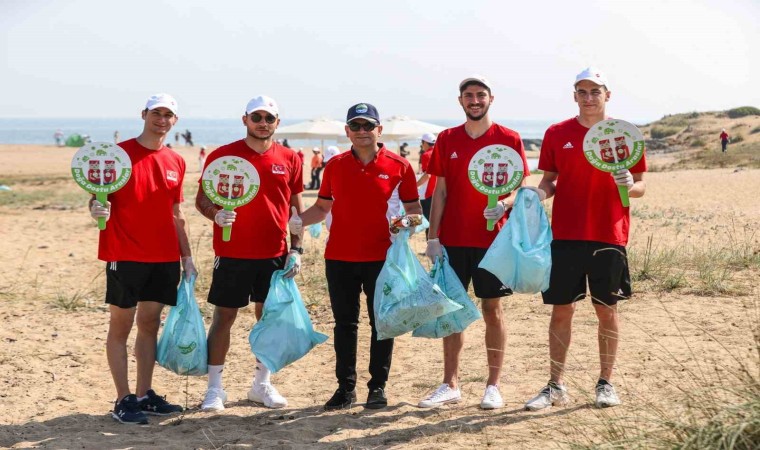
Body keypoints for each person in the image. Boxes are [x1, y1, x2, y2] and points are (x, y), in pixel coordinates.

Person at [524, 67, 647, 411]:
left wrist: (629, 186)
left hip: (609, 233)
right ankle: (555, 385)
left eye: (595, 91)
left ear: (608, 94)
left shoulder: (624, 135)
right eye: (582, 91)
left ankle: (606, 383)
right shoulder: (556, 133)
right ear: (574, 95)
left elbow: (640, 186)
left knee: (606, 310)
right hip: (565, 234)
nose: (589, 97)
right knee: (562, 310)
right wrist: (539, 193)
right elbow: (550, 179)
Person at [288, 103, 422, 410]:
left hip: (382, 258)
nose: (362, 131)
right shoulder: (334, 166)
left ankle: (377, 387)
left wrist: (406, 224)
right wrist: (298, 221)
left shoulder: (400, 165)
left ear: (379, 130)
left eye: (367, 126)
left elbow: (415, 211)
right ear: (347, 131)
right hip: (339, 258)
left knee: (381, 324)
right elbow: (322, 207)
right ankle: (345, 389)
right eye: (356, 126)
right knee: (344, 324)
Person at [419, 76, 530, 410]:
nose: (475, 100)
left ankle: (493, 386)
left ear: (491, 99)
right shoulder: (447, 138)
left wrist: (505, 204)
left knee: (492, 309)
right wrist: (433, 237)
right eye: (469, 95)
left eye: (481, 95)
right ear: (461, 101)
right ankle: (450, 384)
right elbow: (440, 191)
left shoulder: (509, 138)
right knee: (451, 311)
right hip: (453, 240)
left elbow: (519, 183)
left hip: (494, 241)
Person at [88, 93, 196, 424]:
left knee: (149, 324)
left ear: (175, 121)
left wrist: (187, 257)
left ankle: (145, 394)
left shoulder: (176, 161)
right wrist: (96, 209)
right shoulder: (118, 156)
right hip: (125, 253)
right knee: (120, 325)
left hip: (163, 257)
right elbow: (96, 198)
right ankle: (123, 399)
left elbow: (177, 212)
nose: (161, 119)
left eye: (168, 114)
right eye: (156, 113)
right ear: (144, 114)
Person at [195, 95, 304, 412]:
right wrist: (214, 214)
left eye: (269, 118)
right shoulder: (223, 156)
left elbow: (295, 208)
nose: (263, 123)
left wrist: (296, 249)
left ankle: (262, 384)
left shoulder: (290, 157)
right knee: (224, 317)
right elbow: (202, 198)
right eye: (257, 117)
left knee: (267, 318)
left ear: (277, 123)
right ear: (245, 120)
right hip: (231, 251)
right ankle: (215, 388)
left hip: (274, 252)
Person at [416, 133, 437, 239]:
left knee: (427, 221)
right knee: (437, 221)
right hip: (440, 192)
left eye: (422, 143)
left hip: (428, 193)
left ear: (424, 143)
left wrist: (415, 185)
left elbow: (427, 175)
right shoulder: (440, 152)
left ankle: (430, 244)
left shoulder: (426, 155)